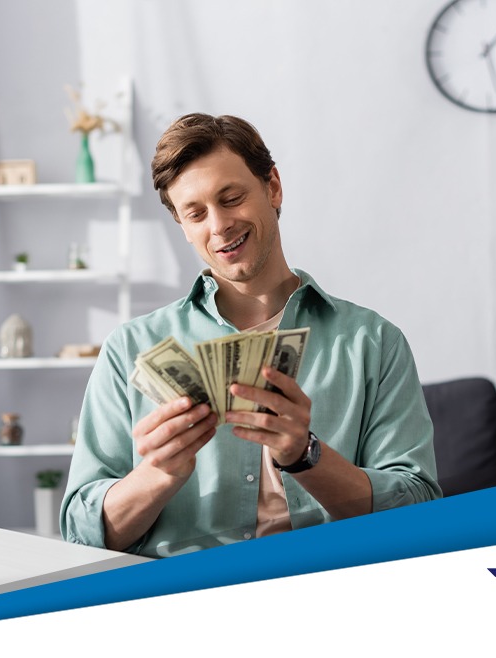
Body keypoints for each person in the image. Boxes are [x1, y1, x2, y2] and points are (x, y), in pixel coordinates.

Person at [61, 113, 440, 557]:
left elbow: (419, 512)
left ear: (273, 187)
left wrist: (306, 456)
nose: (219, 225)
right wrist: (157, 474)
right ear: (182, 226)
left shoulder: (372, 343)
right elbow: (80, 533)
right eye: (196, 213)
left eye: (232, 198)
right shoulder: (130, 350)